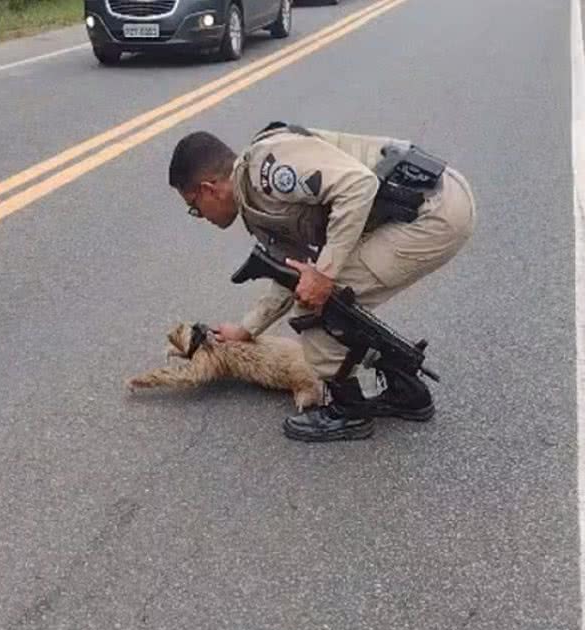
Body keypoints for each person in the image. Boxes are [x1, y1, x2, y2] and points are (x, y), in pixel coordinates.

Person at [167, 122, 476, 442]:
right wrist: (246, 329)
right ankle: (406, 391)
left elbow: (359, 185)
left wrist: (325, 274)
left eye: (194, 207)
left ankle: (349, 412)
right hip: (422, 203)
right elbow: (292, 272)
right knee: (317, 294)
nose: (199, 215)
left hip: (433, 211)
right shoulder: (255, 198)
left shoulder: (267, 170)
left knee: (314, 308)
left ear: (208, 188)